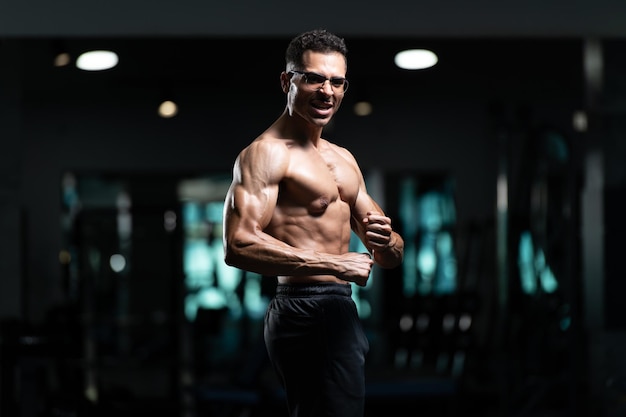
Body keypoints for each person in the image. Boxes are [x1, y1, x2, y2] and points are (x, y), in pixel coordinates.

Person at [222, 28, 404, 417]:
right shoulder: (266, 155)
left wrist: (386, 241)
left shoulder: (343, 158)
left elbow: (389, 256)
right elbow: (237, 245)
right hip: (302, 307)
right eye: (314, 78)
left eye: (336, 81)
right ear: (288, 81)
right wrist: (334, 264)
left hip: (340, 306)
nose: (327, 91)